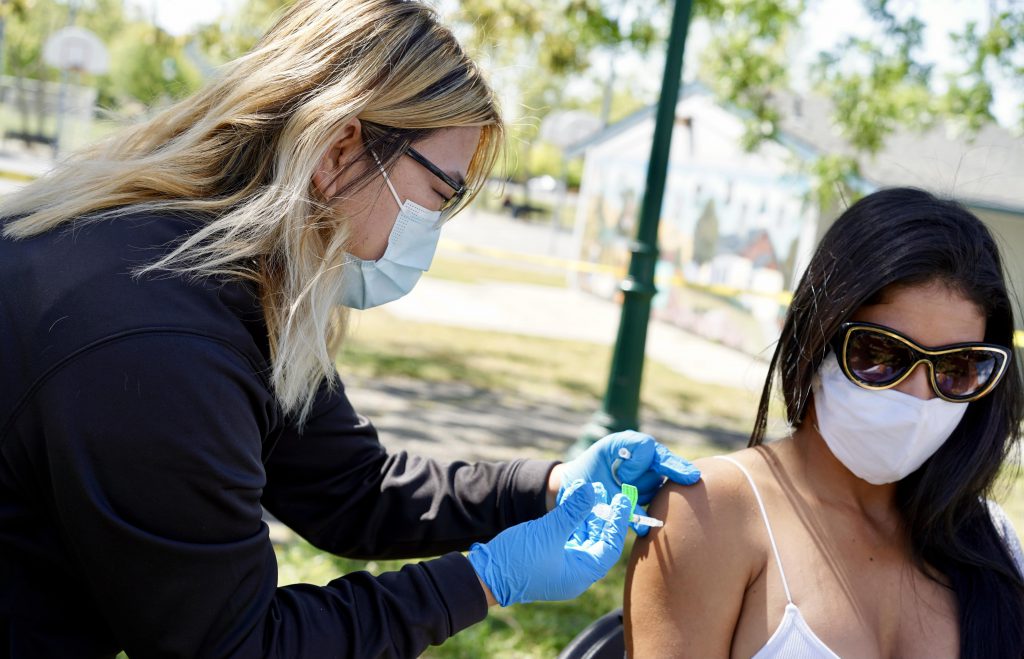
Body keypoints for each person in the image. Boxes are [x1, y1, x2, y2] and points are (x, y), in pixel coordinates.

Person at [0, 1, 702, 656]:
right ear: (340, 150)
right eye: (438, 195)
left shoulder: (216, 281)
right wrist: (486, 578)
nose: (433, 231)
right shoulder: (159, 345)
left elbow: (351, 488)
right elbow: (239, 644)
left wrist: (547, 484)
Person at [625, 188, 1024, 658]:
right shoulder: (709, 512)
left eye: (958, 367)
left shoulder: (989, 540)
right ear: (817, 339)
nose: (919, 397)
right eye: (881, 355)